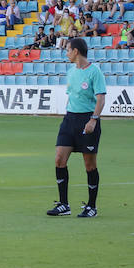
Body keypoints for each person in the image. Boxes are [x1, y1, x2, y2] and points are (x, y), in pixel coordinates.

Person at [47, 37, 106, 219]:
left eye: (68, 50)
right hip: (69, 119)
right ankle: (64, 204)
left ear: (76, 51)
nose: (66, 53)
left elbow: (100, 98)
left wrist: (93, 120)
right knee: (59, 159)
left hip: (87, 120)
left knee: (89, 165)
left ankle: (92, 206)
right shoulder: (71, 71)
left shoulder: (95, 72)